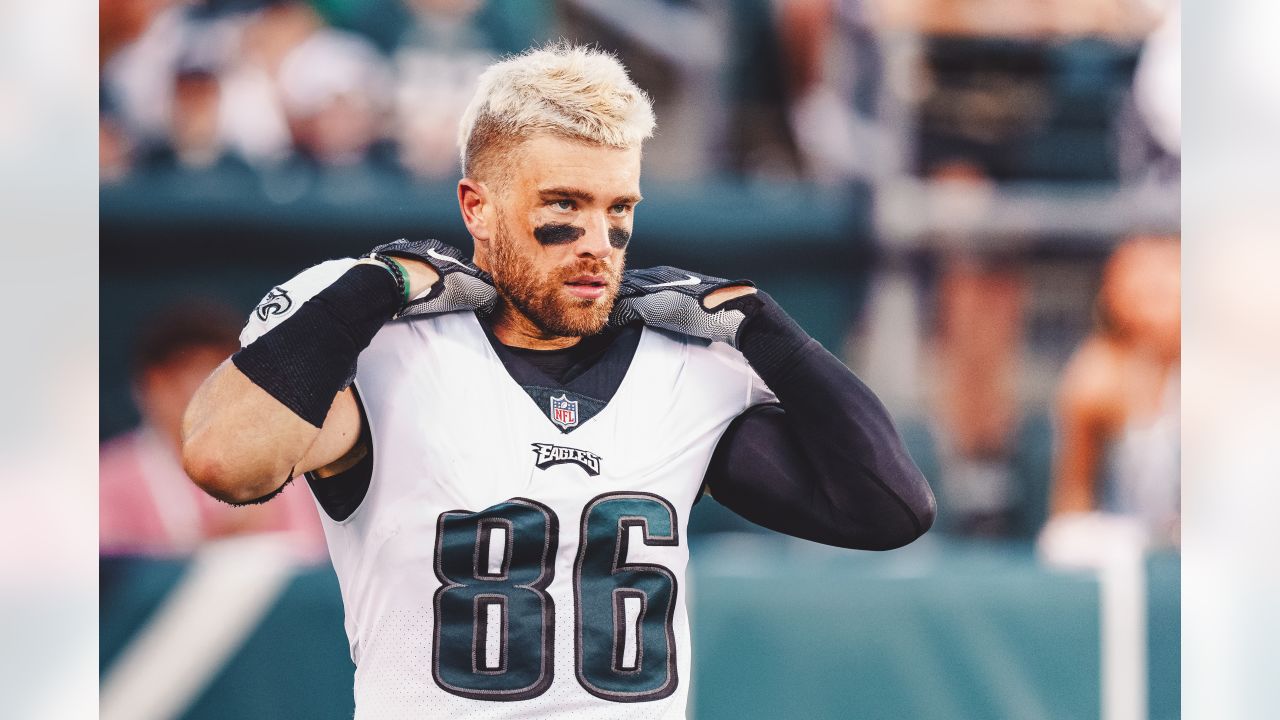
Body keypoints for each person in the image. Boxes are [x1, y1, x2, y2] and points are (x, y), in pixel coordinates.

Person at [182, 43, 934, 718]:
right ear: (477, 207)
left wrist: (763, 327)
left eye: (618, 210)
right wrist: (375, 288)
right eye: (564, 206)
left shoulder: (687, 369)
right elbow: (225, 458)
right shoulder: (388, 352)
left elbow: (889, 510)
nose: (597, 243)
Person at [100, 302, 325, 558]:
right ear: (156, 384)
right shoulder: (110, 477)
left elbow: (312, 560)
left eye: (225, 373)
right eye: (199, 373)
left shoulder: (282, 467)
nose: (215, 390)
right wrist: (210, 547)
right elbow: (108, 582)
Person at [1047, 235, 1180, 547]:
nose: (1154, 285)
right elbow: (1073, 499)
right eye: (1139, 272)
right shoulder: (1097, 375)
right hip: (1129, 545)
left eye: (1169, 269)